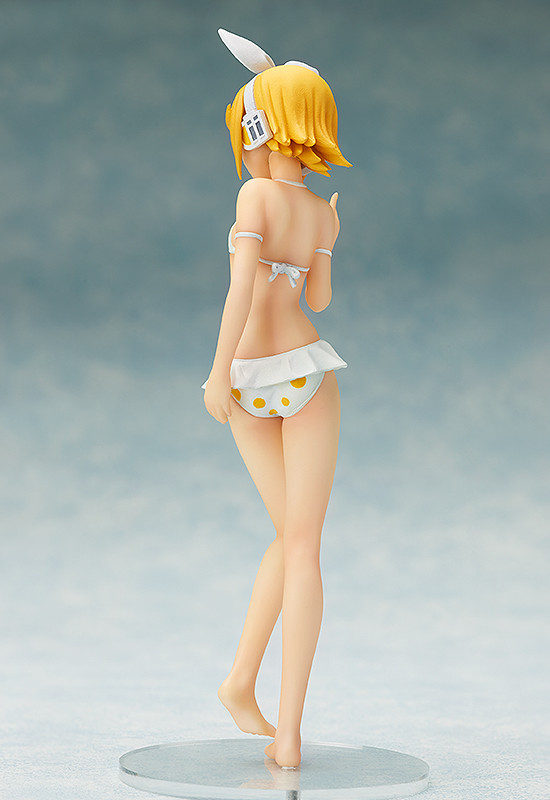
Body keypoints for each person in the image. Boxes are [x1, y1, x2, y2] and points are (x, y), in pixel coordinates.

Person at [203, 29, 352, 768]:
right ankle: (278, 725)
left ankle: (245, 688)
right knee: (300, 545)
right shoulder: (319, 210)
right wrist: (328, 240)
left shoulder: (253, 194)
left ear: (261, 126)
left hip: (249, 378)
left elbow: (240, 291)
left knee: (292, 540)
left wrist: (217, 372)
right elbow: (317, 300)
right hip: (306, 374)